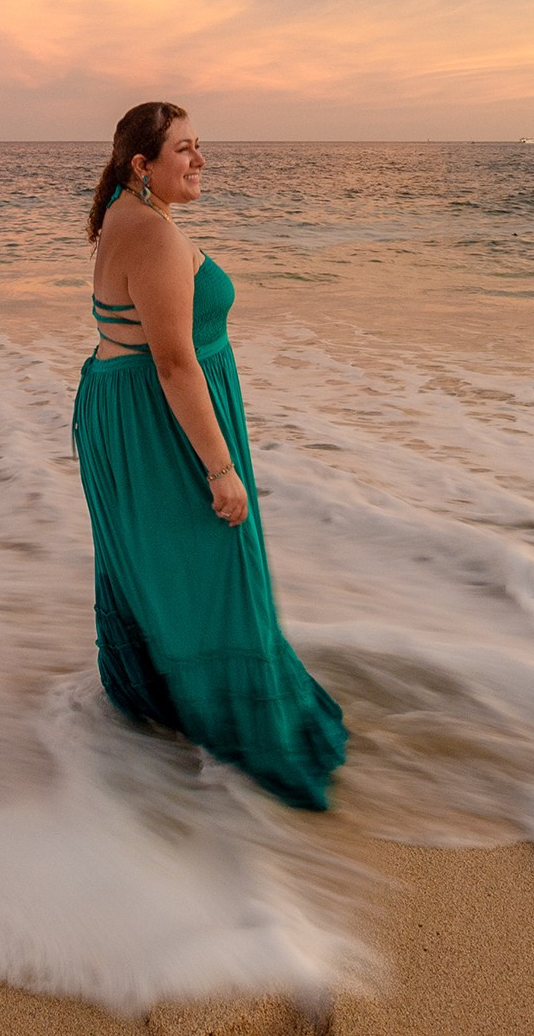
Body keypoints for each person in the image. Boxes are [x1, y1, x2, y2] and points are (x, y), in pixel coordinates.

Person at [71, 101, 348, 811]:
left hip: (119, 408)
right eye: (185, 148)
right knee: (218, 565)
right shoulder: (156, 238)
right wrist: (220, 469)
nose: (200, 160)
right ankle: (256, 738)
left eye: (201, 146)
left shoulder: (120, 215)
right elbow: (172, 362)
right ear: (143, 163)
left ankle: (155, 718)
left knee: (155, 567)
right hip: (156, 418)